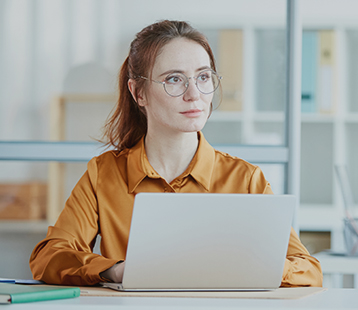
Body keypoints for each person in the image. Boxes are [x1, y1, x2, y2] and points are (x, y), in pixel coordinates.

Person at [30, 20, 323, 287]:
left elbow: (308, 270)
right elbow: (48, 258)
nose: (194, 93)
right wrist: (116, 270)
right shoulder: (103, 173)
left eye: (203, 77)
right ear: (139, 93)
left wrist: (254, 266)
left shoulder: (246, 179)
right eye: (174, 79)